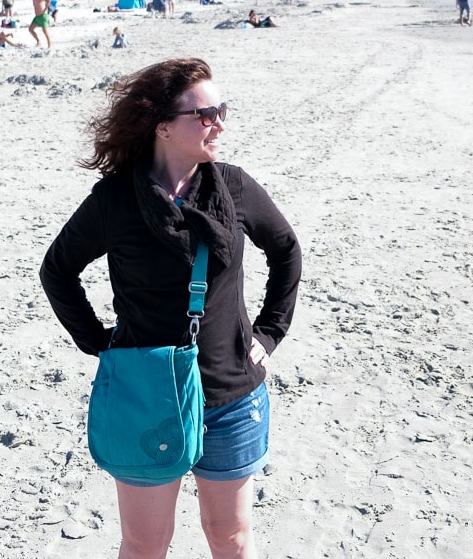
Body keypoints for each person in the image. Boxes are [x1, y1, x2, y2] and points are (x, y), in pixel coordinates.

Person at [40, 58, 301, 559]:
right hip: (146, 395)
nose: (219, 123)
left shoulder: (234, 186)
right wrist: (98, 342)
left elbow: (287, 250)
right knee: (145, 545)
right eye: (206, 114)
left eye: (222, 110)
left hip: (231, 396)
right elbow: (57, 270)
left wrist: (269, 334)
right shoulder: (115, 201)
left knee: (230, 539)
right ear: (163, 126)